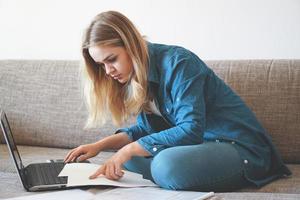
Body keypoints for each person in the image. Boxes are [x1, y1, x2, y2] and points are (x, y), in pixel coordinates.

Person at [64, 10, 291, 192]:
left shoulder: (178, 63)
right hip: (199, 147)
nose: (108, 71)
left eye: (111, 59)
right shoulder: (137, 77)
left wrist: (129, 150)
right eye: (101, 65)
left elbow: (191, 129)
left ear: (131, 44)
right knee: (127, 159)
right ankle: (174, 174)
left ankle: (172, 174)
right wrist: (98, 146)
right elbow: (145, 130)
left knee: (164, 164)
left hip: (237, 147)